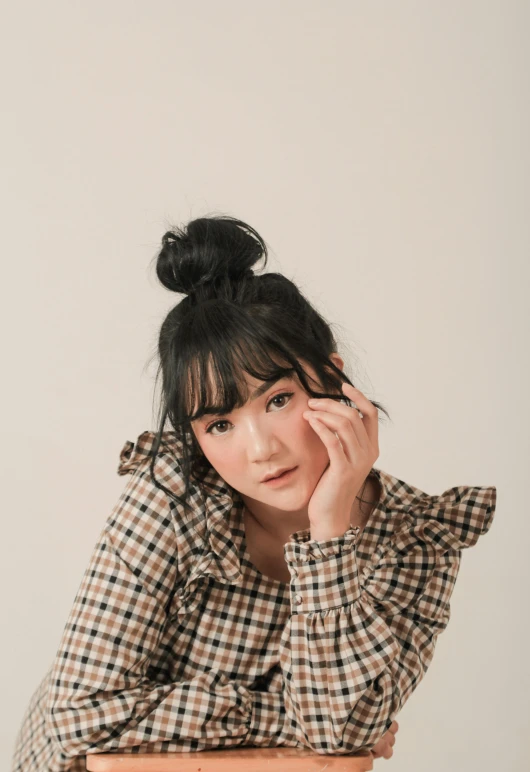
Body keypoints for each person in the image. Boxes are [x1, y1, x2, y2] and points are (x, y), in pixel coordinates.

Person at [11, 215, 496, 770]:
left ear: (334, 379)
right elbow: (78, 713)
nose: (259, 449)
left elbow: (339, 732)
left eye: (278, 400)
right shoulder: (176, 493)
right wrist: (283, 718)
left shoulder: (416, 541)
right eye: (220, 425)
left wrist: (330, 530)